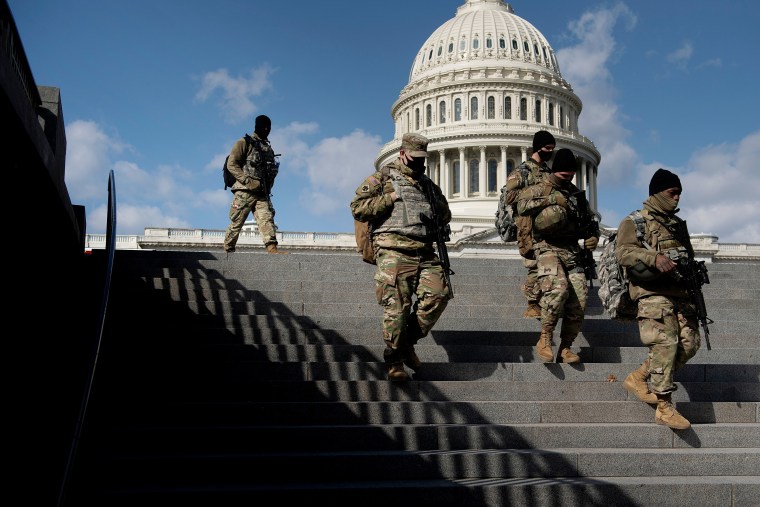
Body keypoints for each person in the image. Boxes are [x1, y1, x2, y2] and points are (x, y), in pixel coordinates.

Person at [350, 133, 452, 382]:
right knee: (396, 308)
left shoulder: (428, 184)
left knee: (438, 295)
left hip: (425, 250)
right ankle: (395, 361)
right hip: (394, 250)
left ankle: (406, 344)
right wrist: (390, 198)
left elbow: (445, 212)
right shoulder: (382, 178)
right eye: (415, 158)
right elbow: (358, 207)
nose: (419, 163)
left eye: (422, 159)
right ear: (403, 154)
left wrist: (435, 215)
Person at [615, 168, 701, 430]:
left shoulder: (676, 225)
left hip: (679, 293)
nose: (677, 199)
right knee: (665, 344)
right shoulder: (636, 221)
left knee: (690, 343)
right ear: (657, 193)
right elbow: (624, 253)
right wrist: (654, 258)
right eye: (672, 193)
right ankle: (664, 406)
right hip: (651, 292)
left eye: (679, 194)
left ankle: (639, 377)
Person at [516, 148, 599, 364]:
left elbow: (590, 223)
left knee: (579, 300)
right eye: (564, 175)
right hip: (546, 247)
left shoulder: (577, 196)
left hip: (572, 250)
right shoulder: (539, 189)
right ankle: (545, 338)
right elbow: (521, 205)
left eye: (571, 175)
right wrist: (553, 199)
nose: (568, 178)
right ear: (555, 171)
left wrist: (593, 238)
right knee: (557, 289)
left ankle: (566, 347)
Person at [505, 130, 556, 318]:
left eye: (552, 148)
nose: (550, 151)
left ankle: (542, 300)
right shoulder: (521, 171)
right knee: (534, 264)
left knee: (545, 264)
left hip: (547, 225)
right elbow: (509, 197)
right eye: (547, 148)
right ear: (538, 147)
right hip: (528, 226)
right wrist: (538, 194)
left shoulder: (548, 172)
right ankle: (532, 302)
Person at [223, 114, 286, 254]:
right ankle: (228, 248)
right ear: (257, 126)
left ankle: (272, 247)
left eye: (268, 127)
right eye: (264, 126)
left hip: (262, 192)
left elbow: (270, 172)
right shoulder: (244, 142)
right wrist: (247, 181)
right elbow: (231, 164)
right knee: (237, 221)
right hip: (244, 191)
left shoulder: (268, 149)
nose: (267, 129)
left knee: (267, 218)